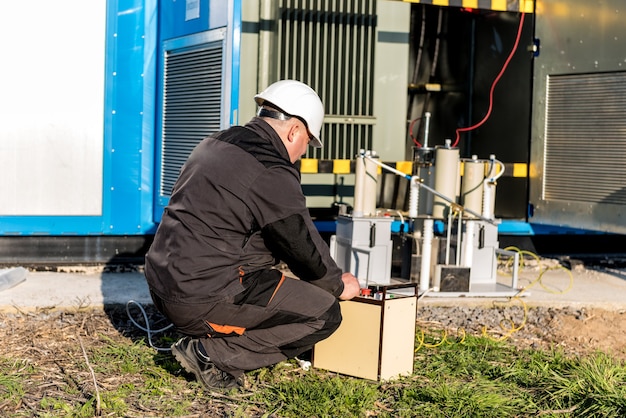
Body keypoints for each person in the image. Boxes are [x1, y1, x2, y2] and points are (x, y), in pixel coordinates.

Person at [144, 79, 361, 391]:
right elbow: (301, 245)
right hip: (199, 297)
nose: (301, 154)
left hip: (163, 285)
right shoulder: (270, 168)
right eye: (307, 142)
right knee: (324, 314)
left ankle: (214, 330)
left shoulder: (216, 142)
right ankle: (209, 354)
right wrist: (338, 284)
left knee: (271, 281)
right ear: (294, 131)